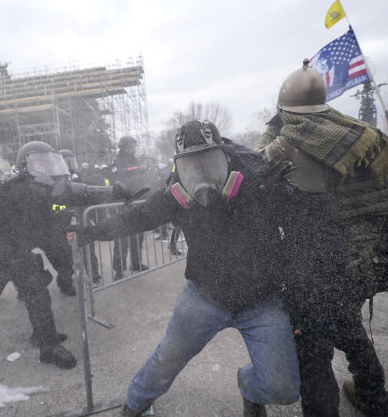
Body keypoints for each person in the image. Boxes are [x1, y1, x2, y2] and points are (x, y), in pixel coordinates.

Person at [68, 120, 346, 416]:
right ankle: (135, 405)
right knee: (166, 360)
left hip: (262, 302)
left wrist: (310, 285)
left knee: (283, 389)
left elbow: (308, 219)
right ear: (179, 167)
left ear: (226, 154)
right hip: (204, 297)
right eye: (191, 165)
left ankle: (249, 387)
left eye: (209, 161)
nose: (201, 175)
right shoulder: (175, 193)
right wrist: (89, 233)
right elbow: (136, 218)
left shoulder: (260, 182)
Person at [257, 60, 388, 417]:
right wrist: (369, 233)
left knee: (314, 350)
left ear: (286, 110)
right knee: (348, 324)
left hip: (316, 270)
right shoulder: (369, 138)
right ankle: (376, 401)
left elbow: (259, 200)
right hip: (369, 263)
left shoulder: (284, 148)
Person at [0, 141, 132, 370]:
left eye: (49, 164)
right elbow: (63, 192)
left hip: (18, 252)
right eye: (41, 164)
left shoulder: (43, 188)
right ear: (26, 166)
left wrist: (113, 192)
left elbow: (73, 193)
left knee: (38, 296)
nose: (47, 169)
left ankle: (47, 345)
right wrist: (107, 192)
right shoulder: (14, 188)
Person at [109, 136, 149, 280]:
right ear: (123, 147)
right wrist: (138, 176)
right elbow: (118, 182)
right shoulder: (117, 162)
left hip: (137, 202)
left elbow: (142, 181)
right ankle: (119, 270)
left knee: (137, 235)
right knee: (122, 238)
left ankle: (136, 263)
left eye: (134, 146)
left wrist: (144, 174)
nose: (133, 149)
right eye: (131, 146)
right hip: (123, 204)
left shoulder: (136, 161)